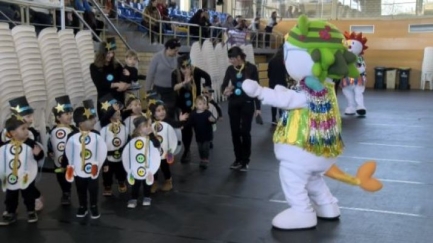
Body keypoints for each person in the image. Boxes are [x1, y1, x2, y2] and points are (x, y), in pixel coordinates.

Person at [63, 100, 107, 219]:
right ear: (81, 123)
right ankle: (82, 206)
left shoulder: (96, 134)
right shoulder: (72, 136)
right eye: (90, 119)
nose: (94, 121)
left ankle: (93, 206)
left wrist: (105, 163)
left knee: (93, 188)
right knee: (80, 188)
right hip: (78, 169)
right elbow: (68, 152)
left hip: (93, 168)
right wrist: (66, 165)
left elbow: (102, 149)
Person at [1, 96, 45, 211]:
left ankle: (35, 198)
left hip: (26, 165)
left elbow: (36, 150)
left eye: (31, 116)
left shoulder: (32, 133)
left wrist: (37, 154)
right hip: (11, 166)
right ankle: (10, 210)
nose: (31, 119)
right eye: (28, 116)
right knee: (12, 188)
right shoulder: (4, 134)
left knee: (29, 185)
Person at [221, 47, 261, 172]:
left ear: (239, 57)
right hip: (234, 104)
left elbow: (256, 88)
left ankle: (245, 160)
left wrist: (258, 108)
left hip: (247, 104)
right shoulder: (230, 69)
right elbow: (224, 85)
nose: (230, 61)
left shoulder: (251, 68)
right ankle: (237, 159)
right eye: (230, 59)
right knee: (235, 132)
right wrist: (225, 91)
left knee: (245, 131)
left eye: (232, 59)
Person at [171, 55, 212, 163]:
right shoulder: (175, 73)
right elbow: (174, 87)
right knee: (186, 128)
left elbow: (207, 76)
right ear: (180, 67)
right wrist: (184, 82)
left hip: (196, 104)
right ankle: (187, 150)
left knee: (202, 125)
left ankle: (207, 141)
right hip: (183, 105)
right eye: (183, 68)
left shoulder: (196, 71)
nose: (186, 70)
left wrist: (207, 89)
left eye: (188, 67)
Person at [90, 38, 130, 118]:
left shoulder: (117, 66)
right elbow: (100, 84)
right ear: (102, 53)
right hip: (105, 101)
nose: (111, 55)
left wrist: (126, 84)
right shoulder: (94, 67)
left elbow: (124, 80)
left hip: (118, 99)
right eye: (108, 53)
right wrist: (116, 84)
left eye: (112, 53)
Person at [48, 95, 77, 206]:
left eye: (70, 113)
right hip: (58, 161)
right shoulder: (53, 131)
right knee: (61, 178)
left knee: (73, 175)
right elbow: (50, 142)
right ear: (58, 117)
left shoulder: (74, 129)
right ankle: (66, 192)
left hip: (72, 159)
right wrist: (50, 150)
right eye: (66, 114)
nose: (69, 116)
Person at [126, 116, 161, 208]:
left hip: (148, 166)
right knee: (135, 183)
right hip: (136, 166)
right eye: (146, 126)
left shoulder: (151, 138)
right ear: (139, 129)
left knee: (147, 182)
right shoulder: (133, 140)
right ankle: (134, 198)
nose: (149, 127)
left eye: (150, 125)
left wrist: (151, 135)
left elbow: (157, 144)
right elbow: (127, 151)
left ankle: (147, 196)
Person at [99, 94, 129, 197]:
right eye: (115, 111)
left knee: (121, 171)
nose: (119, 112)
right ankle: (107, 186)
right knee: (107, 173)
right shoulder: (104, 125)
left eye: (119, 110)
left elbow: (126, 137)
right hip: (108, 156)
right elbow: (105, 117)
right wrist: (112, 109)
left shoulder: (123, 125)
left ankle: (121, 181)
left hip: (120, 154)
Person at [145, 38, 180, 119]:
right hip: (158, 90)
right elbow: (150, 74)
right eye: (175, 50)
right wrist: (147, 91)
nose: (176, 52)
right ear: (169, 48)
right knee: (158, 113)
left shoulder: (177, 58)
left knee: (169, 113)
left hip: (171, 91)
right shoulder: (157, 57)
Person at [186, 96, 216, 169]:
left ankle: (205, 159)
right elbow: (189, 123)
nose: (202, 105)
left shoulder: (207, 113)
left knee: (205, 148)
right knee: (200, 148)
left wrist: (212, 120)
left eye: (204, 103)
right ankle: (202, 158)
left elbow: (213, 120)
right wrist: (183, 126)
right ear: (196, 105)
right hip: (199, 135)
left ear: (206, 104)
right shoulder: (193, 114)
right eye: (200, 104)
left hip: (207, 135)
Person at [267, 46, 287, 125]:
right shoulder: (284, 61)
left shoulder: (271, 61)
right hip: (282, 83)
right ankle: (282, 118)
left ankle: (273, 119)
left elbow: (268, 74)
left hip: (272, 84)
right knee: (281, 101)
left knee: (274, 102)